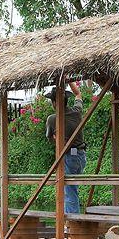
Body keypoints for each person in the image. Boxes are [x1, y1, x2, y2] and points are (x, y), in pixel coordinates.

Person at [46, 81, 87, 214]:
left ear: (54, 103)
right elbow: (78, 94)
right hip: (80, 155)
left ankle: (72, 224)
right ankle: (69, 222)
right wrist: (69, 81)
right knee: (71, 189)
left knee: (69, 191)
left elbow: (50, 139)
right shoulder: (76, 112)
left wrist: (56, 139)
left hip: (68, 156)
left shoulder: (52, 119)